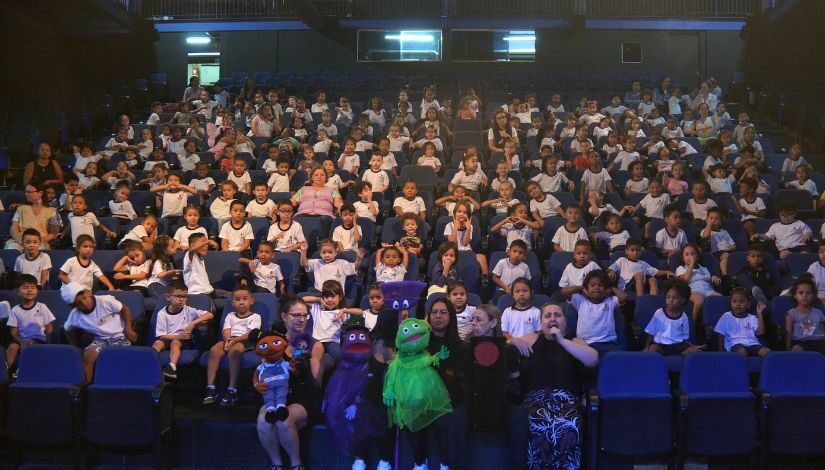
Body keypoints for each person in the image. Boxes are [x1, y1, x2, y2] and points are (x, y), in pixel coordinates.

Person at [508, 302, 598, 469]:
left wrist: (562, 340)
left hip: (567, 401)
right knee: (538, 421)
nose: (552, 319)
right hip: (536, 400)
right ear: (541, 322)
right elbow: (507, 348)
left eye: (557, 315)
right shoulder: (533, 338)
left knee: (570, 423)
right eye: (547, 316)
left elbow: (592, 359)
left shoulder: (574, 341)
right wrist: (513, 341)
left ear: (565, 320)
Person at [257, 295, 325, 470]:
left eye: (304, 315)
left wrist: (303, 367)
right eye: (296, 315)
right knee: (264, 420)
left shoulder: (315, 345)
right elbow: (265, 375)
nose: (301, 319)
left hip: (305, 398)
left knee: (283, 419)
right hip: (278, 396)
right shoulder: (274, 345)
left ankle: (297, 464)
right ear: (284, 316)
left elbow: (316, 386)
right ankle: (276, 464)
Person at [61, 282, 138, 381]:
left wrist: (128, 328)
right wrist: (74, 346)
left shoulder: (105, 300)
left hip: (120, 335)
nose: (84, 303)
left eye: (84, 298)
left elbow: (125, 309)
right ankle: (87, 386)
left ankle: (121, 382)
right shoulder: (75, 315)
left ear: (89, 293)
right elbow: (67, 329)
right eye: (79, 303)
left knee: (119, 356)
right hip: (100, 339)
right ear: (73, 306)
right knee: (88, 356)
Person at [203, 285, 262, 406]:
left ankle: (232, 389)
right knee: (214, 350)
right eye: (238, 299)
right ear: (233, 303)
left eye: (245, 299)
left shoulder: (256, 317)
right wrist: (228, 339)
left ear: (251, 301)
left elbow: (251, 333)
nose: (241, 302)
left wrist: (234, 341)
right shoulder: (230, 316)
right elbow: (226, 330)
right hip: (230, 340)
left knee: (234, 351)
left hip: (245, 341)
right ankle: (211, 387)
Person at [153, 281, 214, 378]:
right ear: (168, 297)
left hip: (182, 340)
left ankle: (171, 367)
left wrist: (193, 323)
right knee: (157, 343)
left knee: (175, 343)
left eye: (184, 296)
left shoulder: (188, 310)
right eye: (178, 296)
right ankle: (151, 365)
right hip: (167, 338)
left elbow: (209, 314)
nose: (182, 299)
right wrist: (178, 336)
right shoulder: (162, 313)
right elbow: (161, 335)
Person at [566, 270, 628, 357]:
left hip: (607, 343)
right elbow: (564, 292)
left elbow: (624, 297)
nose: (596, 288)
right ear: (587, 287)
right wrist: (581, 287)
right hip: (584, 343)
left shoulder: (610, 301)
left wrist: (611, 288)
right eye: (592, 285)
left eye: (601, 285)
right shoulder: (580, 300)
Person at [5, 274, 55, 369]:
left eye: (33, 287)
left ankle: (23, 371)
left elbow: (49, 327)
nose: (29, 290)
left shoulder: (42, 307)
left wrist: (49, 345)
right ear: (17, 291)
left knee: (31, 344)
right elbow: (14, 332)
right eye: (25, 287)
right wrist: (22, 342)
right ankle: (7, 372)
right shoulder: (15, 310)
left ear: (37, 290)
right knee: (12, 347)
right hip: (20, 340)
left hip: (39, 340)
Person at [645, 279, 705, 355]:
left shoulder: (684, 317)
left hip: (677, 345)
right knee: (653, 348)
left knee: (692, 351)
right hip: (661, 345)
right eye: (668, 297)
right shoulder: (659, 313)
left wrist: (690, 347)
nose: (670, 300)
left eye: (675, 298)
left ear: (682, 300)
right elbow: (651, 332)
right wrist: (647, 347)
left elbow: (685, 337)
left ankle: (680, 353)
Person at [714, 288, 770, 358]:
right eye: (734, 301)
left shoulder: (752, 317)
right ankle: (741, 369)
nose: (738, 304)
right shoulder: (726, 316)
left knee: (767, 352)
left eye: (741, 301)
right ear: (730, 303)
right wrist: (721, 353)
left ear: (748, 304)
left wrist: (759, 313)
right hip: (735, 344)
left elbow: (760, 332)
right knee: (742, 352)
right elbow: (720, 335)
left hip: (752, 343)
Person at [6, 184, 61, 251]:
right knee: (11, 249)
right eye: (26, 192)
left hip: (40, 242)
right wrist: (21, 242)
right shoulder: (21, 209)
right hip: (20, 241)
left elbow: (53, 234)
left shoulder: (51, 211)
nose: (26, 194)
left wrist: (37, 241)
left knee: (39, 250)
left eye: (29, 192)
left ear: (40, 193)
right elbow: (13, 228)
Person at [675, 244, 722, 321]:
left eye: (693, 254)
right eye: (687, 254)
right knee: (699, 301)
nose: (690, 256)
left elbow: (709, 279)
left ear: (697, 256)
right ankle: (692, 322)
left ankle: (718, 323)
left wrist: (713, 277)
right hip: (694, 291)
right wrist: (692, 264)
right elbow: (685, 280)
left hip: (709, 290)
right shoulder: (681, 268)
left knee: (720, 298)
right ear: (682, 258)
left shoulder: (703, 268)